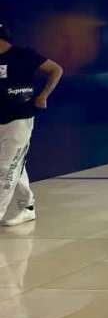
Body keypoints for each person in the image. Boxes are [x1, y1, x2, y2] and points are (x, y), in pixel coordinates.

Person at [0, 22, 63, 227]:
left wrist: (43, 96)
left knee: (6, 168)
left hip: (19, 119)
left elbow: (56, 70)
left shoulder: (23, 55)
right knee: (14, 164)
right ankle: (26, 207)